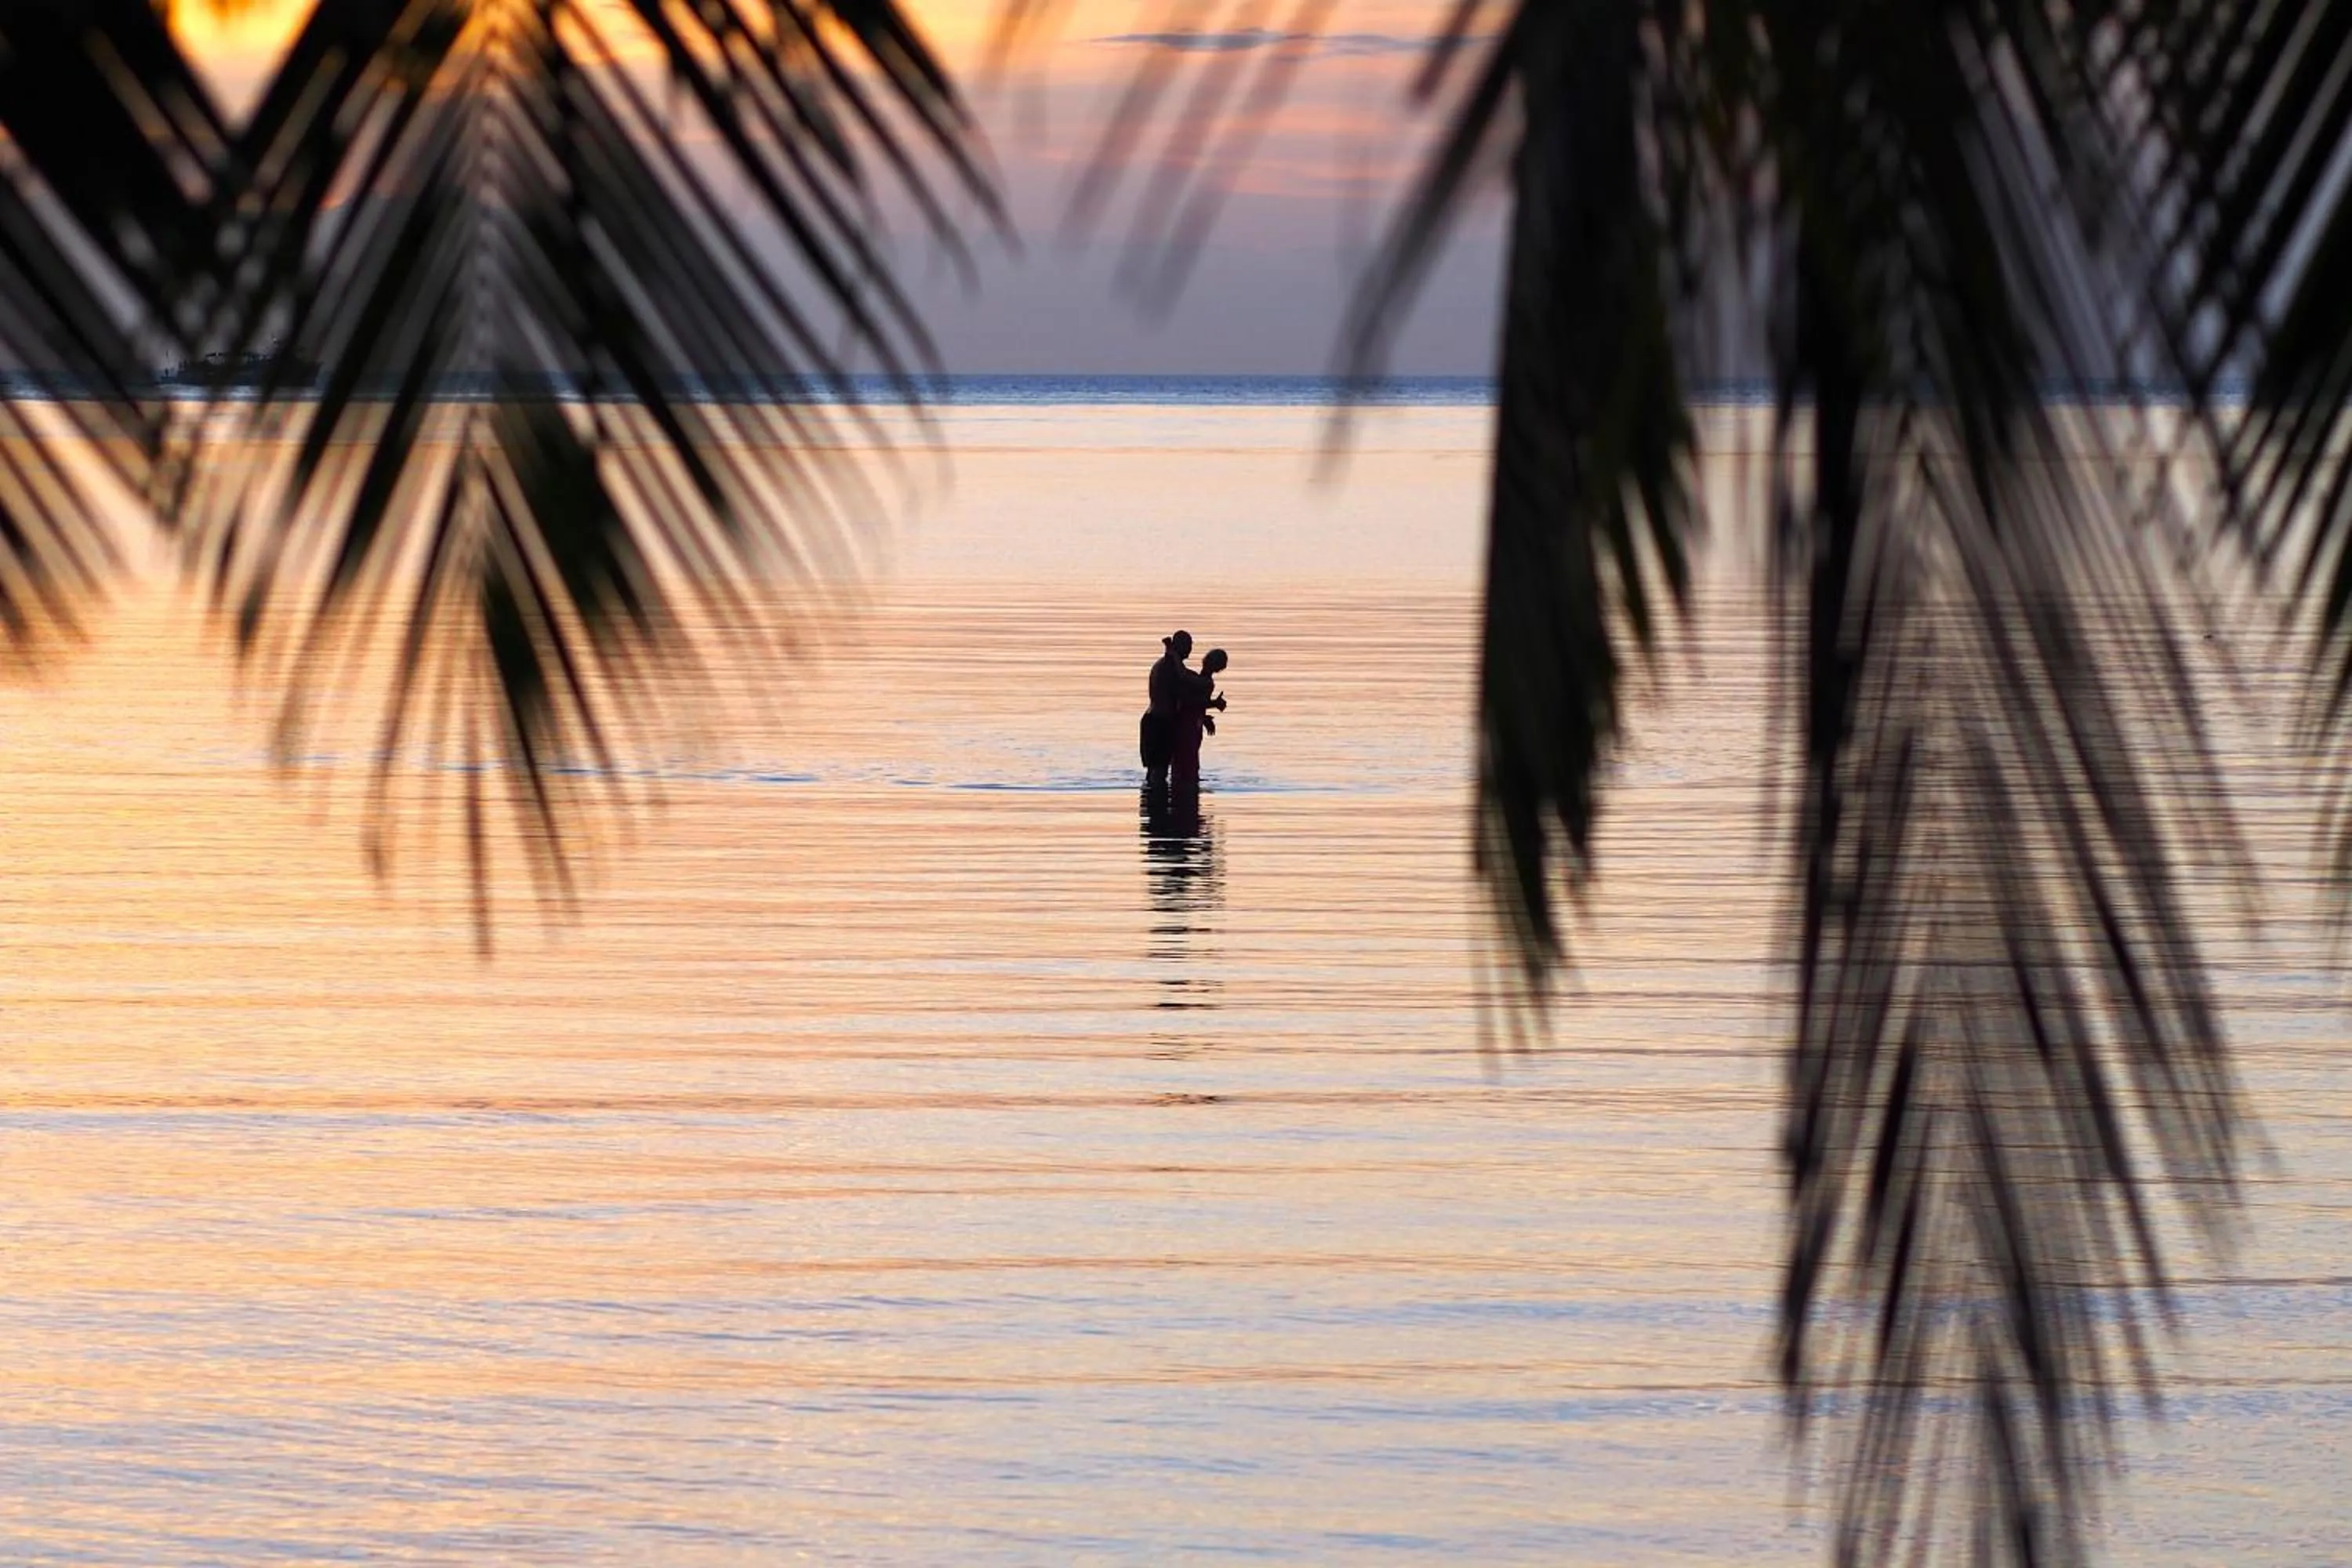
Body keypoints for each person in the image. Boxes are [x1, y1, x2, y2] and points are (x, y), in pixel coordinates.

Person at [1142, 630, 1200, 786]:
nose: (1190, 649)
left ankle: (1155, 803)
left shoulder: (1166, 665)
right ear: (1177, 646)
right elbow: (1182, 692)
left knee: (1155, 772)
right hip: (1160, 723)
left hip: (1155, 720)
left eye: (1190, 645)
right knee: (1158, 772)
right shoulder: (1170, 668)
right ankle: (1157, 804)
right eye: (1187, 645)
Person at [1169, 647, 1228, 790]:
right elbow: (1194, 703)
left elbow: (1192, 702)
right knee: (1185, 761)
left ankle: (1184, 789)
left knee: (1187, 761)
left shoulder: (1204, 682)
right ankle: (1186, 789)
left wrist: (1172, 653)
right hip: (1189, 725)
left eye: (1211, 660)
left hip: (1190, 726)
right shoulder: (1199, 679)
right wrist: (1210, 709)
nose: (1207, 661)